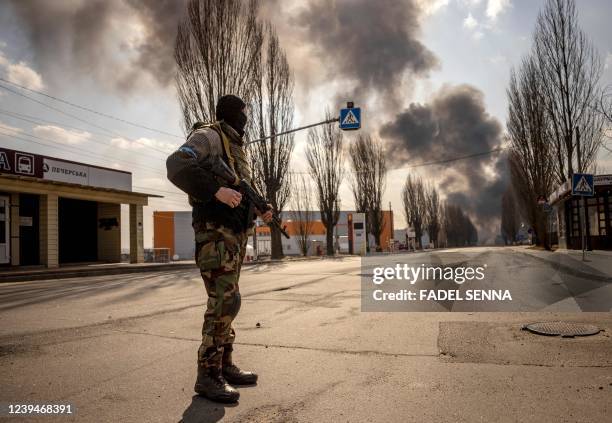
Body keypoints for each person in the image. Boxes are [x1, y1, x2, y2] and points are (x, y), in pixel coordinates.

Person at [166, 94, 272, 403]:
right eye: (243, 112)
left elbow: (242, 190)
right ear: (232, 113)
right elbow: (176, 164)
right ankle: (208, 374)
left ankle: (224, 365)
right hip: (214, 234)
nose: (246, 118)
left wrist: (260, 207)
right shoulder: (209, 136)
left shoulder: (236, 148)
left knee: (230, 301)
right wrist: (216, 191)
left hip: (234, 236)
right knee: (223, 301)